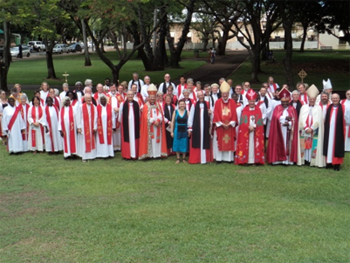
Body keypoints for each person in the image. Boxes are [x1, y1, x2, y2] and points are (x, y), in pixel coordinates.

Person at [266, 87, 300, 165]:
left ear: (289, 101)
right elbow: (275, 117)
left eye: (286, 102)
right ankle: (278, 160)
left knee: (287, 144)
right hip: (279, 130)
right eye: (283, 102)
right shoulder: (277, 108)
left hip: (288, 130)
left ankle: (287, 160)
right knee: (278, 143)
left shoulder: (292, 109)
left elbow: (295, 120)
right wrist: (284, 118)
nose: (285, 104)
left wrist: (290, 124)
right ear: (281, 101)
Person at [235, 89, 265, 165]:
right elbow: (242, 122)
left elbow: (259, 121)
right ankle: (245, 160)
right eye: (250, 101)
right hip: (247, 131)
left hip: (255, 131)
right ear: (248, 101)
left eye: (253, 101)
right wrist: (248, 127)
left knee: (254, 145)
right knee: (246, 145)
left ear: (255, 101)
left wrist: (254, 127)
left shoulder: (258, 109)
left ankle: (256, 160)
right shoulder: (245, 110)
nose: (252, 103)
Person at [298, 85, 325, 167]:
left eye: (313, 99)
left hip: (314, 130)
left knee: (313, 144)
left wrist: (312, 128)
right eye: (310, 99)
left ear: (315, 99)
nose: (312, 100)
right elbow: (301, 119)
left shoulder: (319, 108)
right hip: (305, 130)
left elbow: (319, 120)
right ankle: (305, 159)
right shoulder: (304, 107)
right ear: (308, 99)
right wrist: (306, 128)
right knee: (305, 144)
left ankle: (312, 160)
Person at [139, 84, 167, 160]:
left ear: (155, 98)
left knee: (157, 140)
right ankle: (150, 155)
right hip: (150, 126)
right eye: (151, 98)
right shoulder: (146, 105)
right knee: (151, 140)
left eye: (153, 98)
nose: (152, 99)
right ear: (148, 98)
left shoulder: (158, 105)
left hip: (158, 126)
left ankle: (157, 154)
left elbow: (161, 114)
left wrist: (158, 120)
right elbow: (145, 116)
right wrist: (153, 121)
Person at [212, 81, 237, 163]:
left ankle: (229, 159)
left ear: (228, 93)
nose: (225, 95)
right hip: (221, 126)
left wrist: (230, 123)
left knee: (229, 141)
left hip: (229, 126)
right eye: (223, 93)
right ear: (221, 94)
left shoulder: (232, 102)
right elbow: (216, 113)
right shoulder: (218, 102)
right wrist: (221, 124)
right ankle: (219, 159)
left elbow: (234, 113)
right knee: (220, 141)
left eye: (226, 93)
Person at [188, 91, 213, 164]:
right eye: (199, 95)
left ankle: (206, 159)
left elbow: (211, 116)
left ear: (204, 96)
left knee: (206, 141)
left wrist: (210, 114)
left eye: (202, 95)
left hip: (205, 127)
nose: (201, 97)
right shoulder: (194, 104)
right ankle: (197, 159)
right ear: (197, 97)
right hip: (197, 127)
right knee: (196, 142)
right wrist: (190, 127)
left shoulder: (208, 104)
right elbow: (191, 117)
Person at [323, 94, 345, 171]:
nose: (335, 99)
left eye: (336, 98)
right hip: (329, 130)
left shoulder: (342, 107)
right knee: (328, 145)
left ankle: (337, 164)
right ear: (331, 99)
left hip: (338, 131)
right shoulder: (329, 107)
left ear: (339, 99)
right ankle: (329, 162)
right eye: (333, 98)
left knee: (337, 146)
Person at [118, 90, 140, 160]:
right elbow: (120, 115)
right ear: (126, 95)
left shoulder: (136, 104)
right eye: (129, 94)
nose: (130, 96)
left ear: (133, 95)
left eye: (131, 94)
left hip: (134, 125)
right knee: (127, 138)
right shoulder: (122, 104)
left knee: (134, 137)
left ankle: (134, 154)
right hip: (126, 125)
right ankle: (127, 155)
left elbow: (139, 115)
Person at [77, 94, 97, 162]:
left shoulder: (94, 107)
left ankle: (92, 156)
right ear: (84, 99)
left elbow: (96, 118)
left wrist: (95, 127)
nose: (89, 100)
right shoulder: (81, 107)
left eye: (90, 98)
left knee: (91, 141)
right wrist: (79, 127)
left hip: (91, 127)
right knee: (84, 142)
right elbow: (78, 118)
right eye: (87, 99)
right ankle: (84, 157)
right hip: (84, 127)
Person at [171, 99, 189, 163]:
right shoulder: (175, 112)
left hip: (184, 130)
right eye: (180, 104)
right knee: (177, 143)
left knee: (184, 143)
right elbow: (172, 122)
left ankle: (184, 158)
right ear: (178, 105)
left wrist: (189, 130)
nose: (182, 105)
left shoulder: (187, 112)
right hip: (177, 129)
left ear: (185, 105)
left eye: (183, 104)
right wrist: (171, 131)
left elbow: (189, 122)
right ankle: (178, 158)